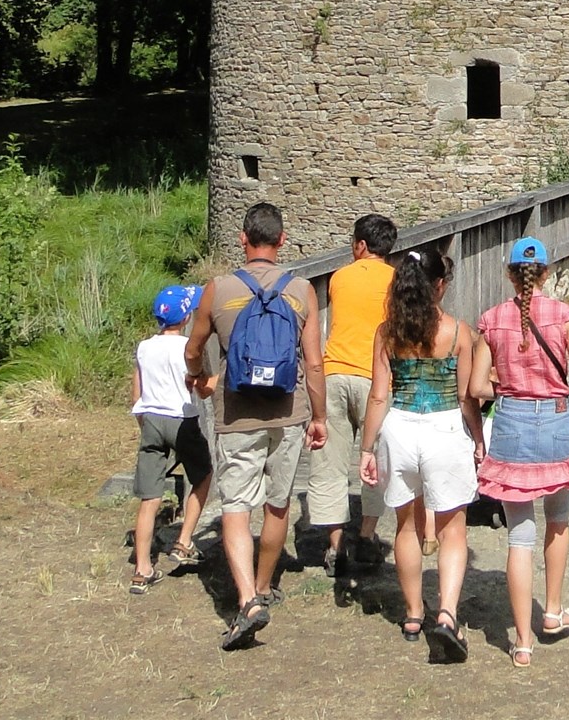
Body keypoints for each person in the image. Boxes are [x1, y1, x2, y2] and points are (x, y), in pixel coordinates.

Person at [185, 202, 326, 650]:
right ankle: (265, 585)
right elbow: (315, 362)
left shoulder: (218, 289)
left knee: (236, 505)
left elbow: (193, 348)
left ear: (243, 239)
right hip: (288, 410)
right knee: (278, 503)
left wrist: (202, 377)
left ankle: (246, 600)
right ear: (282, 240)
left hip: (236, 411)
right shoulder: (301, 290)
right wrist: (319, 416)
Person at [472, 237, 569, 666]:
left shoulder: (492, 319)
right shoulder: (564, 315)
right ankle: (554, 611)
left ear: (510, 274)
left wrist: (506, 387)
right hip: (557, 419)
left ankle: (521, 642)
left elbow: (476, 387)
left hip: (512, 424)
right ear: (546, 273)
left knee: (518, 535)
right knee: (558, 518)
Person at [359, 247, 483, 663]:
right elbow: (467, 397)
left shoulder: (387, 332)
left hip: (399, 428)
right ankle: (446, 615)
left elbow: (379, 395)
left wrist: (366, 447)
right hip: (444, 428)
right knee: (452, 529)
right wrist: (478, 436)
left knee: (406, 525)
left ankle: (413, 614)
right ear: (439, 285)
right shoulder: (457, 332)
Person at [310, 212, 396, 578]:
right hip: (375, 376)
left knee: (329, 461)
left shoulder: (339, 277)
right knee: (376, 461)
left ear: (360, 245)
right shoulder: (395, 279)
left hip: (334, 372)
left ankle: (334, 545)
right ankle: (366, 534)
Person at [128, 284, 213, 593]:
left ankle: (142, 569)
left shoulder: (143, 347)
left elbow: (136, 393)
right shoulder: (187, 348)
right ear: (187, 316)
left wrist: (144, 423)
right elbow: (201, 387)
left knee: (149, 498)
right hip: (182, 420)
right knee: (203, 476)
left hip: (150, 419)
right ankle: (184, 540)